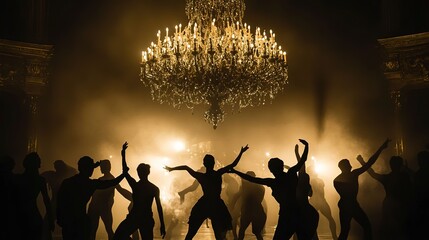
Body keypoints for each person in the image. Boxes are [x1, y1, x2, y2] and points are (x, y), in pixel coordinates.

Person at [165, 144, 249, 240]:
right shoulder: (218, 173)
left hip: (204, 203)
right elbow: (233, 164)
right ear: (214, 163)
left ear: (204, 164)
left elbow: (185, 167)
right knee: (218, 235)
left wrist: (172, 169)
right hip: (216, 204)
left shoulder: (201, 176)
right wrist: (241, 152)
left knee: (191, 233)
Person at [231, 139, 309, 239]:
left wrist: (236, 172)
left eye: (271, 168)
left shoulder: (273, 182)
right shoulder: (290, 174)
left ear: (271, 169)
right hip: (297, 212)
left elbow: (252, 179)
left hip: (287, 215)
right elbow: (303, 161)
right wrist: (306, 146)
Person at [56, 146, 128, 240]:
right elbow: (111, 183)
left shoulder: (68, 182)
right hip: (81, 220)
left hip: (69, 220)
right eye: (91, 168)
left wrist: (59, 217)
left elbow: (60, 200)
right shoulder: (90, 184)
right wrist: (124, 174)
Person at [333, 139, 390, 240]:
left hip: (345, 205)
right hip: (352, 205)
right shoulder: (353, 174)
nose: (351, 165)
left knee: (345, 231)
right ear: (345, 167)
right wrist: (381, 148)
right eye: (349, 164)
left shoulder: (336, 180)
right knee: (366, 226)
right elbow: (370, 163)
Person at [113, 142, 166, 240]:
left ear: (138, 173)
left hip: (135, 217)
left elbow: (124, 171)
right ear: (148, 173)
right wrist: (163, 224)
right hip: (146, 218)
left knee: (118, 236)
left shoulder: (136, 185)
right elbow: (159, 207)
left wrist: (123, 154)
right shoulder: (153, 188)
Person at [356, 154, 412, 239]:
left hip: (390, 203)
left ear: (391, 165)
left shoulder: (388, 178)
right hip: (401, 203)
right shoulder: (404, 177)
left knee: (388, 227)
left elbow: (372, 173)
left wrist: (362, 162)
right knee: (400, 228)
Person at [14, 152, 54, 240]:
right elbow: (46, 200)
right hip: (33, 216)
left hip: (18, 215)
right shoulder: (40, 180)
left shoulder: (17, 179)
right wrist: (51, 219)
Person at [88, 159, 131, 240]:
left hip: (101, 207)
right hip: (99, 207)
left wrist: (133, 198)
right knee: (104, 230)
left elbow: (121, 190)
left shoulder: (109, 179)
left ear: (106, 167)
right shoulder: (104, 179)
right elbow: (121, 190)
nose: (100, 169)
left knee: (99, 230)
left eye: (101, 167)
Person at [41, 160, 77, 239]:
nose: (57, 168)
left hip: (64, 205)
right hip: (56, 204)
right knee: (46, 225)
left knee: (66, 227)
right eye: (56, 166)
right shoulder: (52, 175)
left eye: (59, 166)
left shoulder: (68, 178)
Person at [307, 165, 337, 240]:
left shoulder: (313, 180)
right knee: (329, 218)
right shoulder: (317, 180)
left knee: (311, 220)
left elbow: (311, 192)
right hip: (320, 200)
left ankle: (333, 236)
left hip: (317, 200)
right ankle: (334, 237)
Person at [236, 171, 266, 240]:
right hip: (257, 210)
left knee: (242, 229)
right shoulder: (261, 187)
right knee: (256, 232)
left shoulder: (245, 187)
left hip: (247, 210)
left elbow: (240, 196)